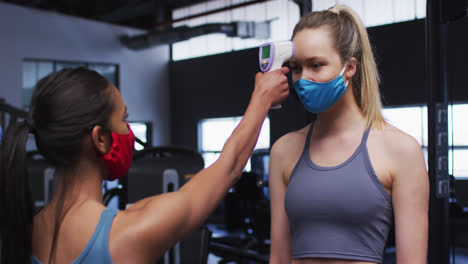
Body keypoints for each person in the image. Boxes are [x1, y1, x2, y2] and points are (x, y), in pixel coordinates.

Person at [0, 66, 289, 264]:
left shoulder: (21, 232)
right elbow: (230, 165)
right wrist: (262, 98)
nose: (129, 132)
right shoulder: (131, 232)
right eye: (123, 120)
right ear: (100, 139)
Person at [269, 5, 429, 264]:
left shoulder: (401, 150)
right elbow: (278, 257)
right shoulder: (284, 150)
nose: (302, 79)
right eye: (297, 68)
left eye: (316, 65)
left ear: (350, 68)